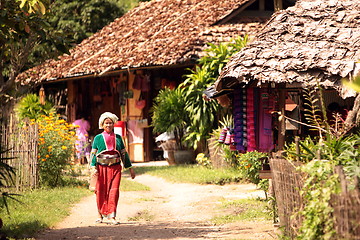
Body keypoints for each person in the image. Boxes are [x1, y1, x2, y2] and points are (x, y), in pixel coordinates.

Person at [90, 112, 135, 225]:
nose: (108, 125)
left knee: (113, 192)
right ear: (102, 124)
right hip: (101, 169)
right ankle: (99, 215)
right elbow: (93, 154)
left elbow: (124, 154)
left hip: (115, 168)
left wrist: (130, 168)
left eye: (110, 123)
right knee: (100, 191)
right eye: (106, 123)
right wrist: (92, 167)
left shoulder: (119, 138)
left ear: (113, 124)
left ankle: (112, 216)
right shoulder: (98, 138)